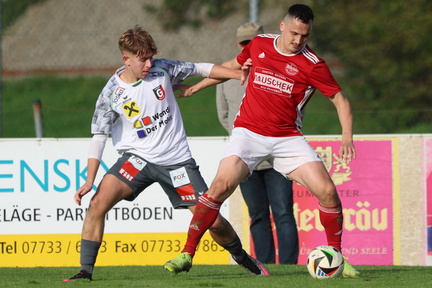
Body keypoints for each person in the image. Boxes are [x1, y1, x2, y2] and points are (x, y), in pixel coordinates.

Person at [165, 4, 361, 277]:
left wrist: (347, 138)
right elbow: (232, 66)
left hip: (287, 138)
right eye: (294, 33)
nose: (298, 41)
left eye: (305, 36)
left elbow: (340, 100)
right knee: (219, 187)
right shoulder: (259, 44)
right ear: (282, 25)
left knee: (328, 192)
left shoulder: (313, 64)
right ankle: (187, 253)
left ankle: (337, 256)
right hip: (248, 133)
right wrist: (195, 88)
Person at [64, 25, 269, 282]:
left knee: (213, 221)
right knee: (96, 204)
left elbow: (201, 68)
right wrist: (90, 179)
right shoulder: (111, 94)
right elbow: (99, 137)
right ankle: (85, 271)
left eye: (151, 57)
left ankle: (242, 257)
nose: (149, 63)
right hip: (137, 161)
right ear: (126, 59)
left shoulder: (163, 69)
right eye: (143, 59)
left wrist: (236, 73)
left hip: (177, 164)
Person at [216, 22, 298, 264]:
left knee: (283, 214)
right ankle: (265, 264)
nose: (248, 47)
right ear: (238, 45)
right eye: (244, 43)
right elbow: (224, 117)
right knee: (258, 215)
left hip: (277, 157)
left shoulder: (281, 68)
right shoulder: (227, 74)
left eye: (253, 41)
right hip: (246, 158)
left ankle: (289, 267)